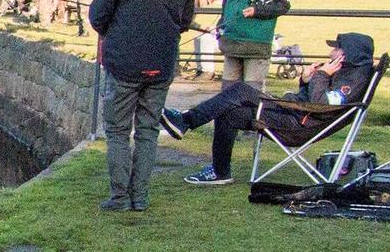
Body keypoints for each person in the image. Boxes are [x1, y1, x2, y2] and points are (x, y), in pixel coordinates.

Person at [161, 32, 376, 184]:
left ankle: (186, 121)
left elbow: (321, 105)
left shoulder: (351, 82)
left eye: (336, 48)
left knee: (242, 90)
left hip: (296, 126)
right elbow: (317, 100)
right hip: (293, 115)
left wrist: (321, 75)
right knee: (229, 112)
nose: (331, 51)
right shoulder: (344, 71)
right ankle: (220, 171)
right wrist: (306, 79)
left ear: (346, 54)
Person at [88, 0, 197, 211]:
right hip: (160, 67)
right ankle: (140, 197)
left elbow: (97, 16)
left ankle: (120, 197)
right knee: (148, 131)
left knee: (118, 132)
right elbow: (185, 21)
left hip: (123, 66)